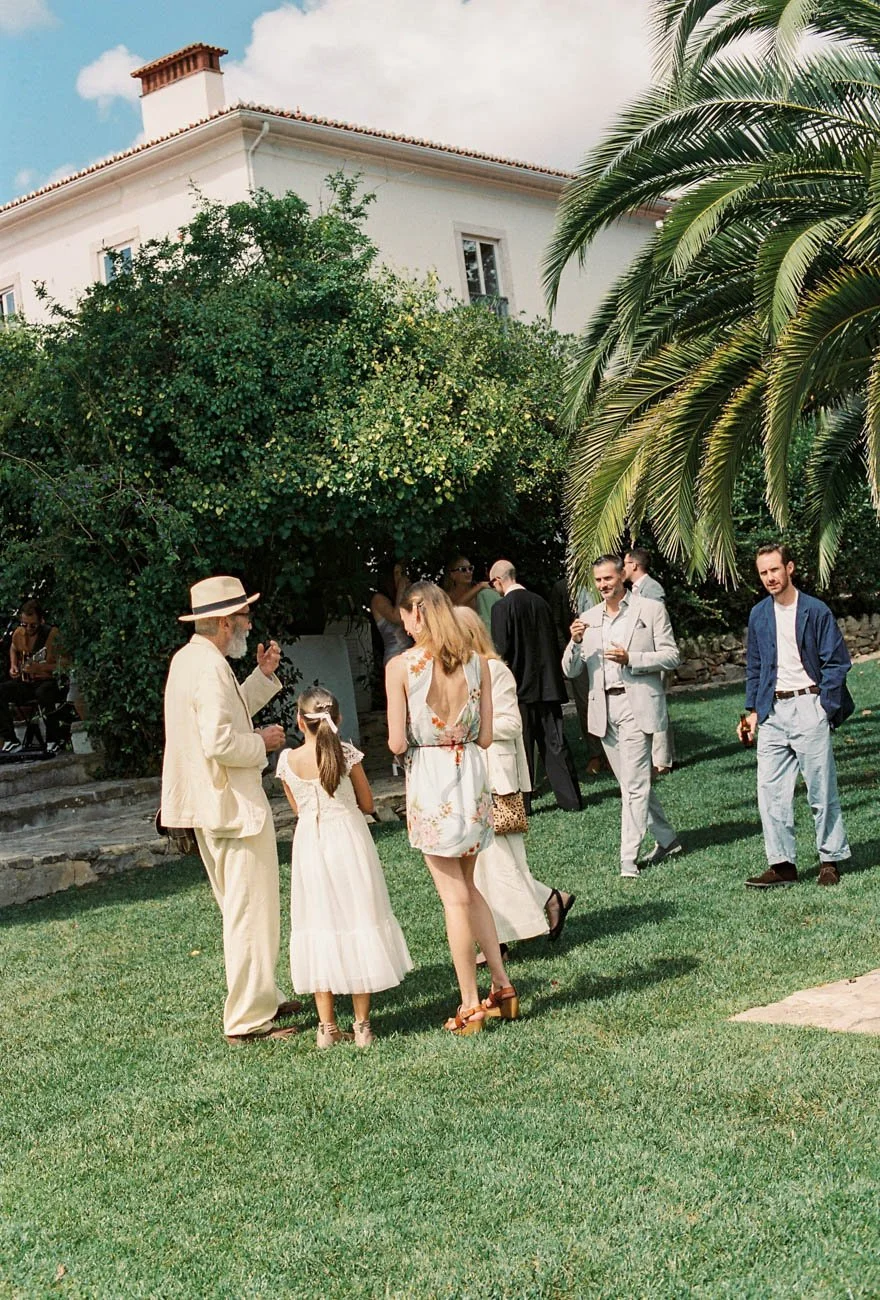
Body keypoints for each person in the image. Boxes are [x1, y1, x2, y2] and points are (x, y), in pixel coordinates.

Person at [160, 576, 301, 1045]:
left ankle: (263, 997)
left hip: (211, 808)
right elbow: (220, 741)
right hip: (231, 807)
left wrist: (262, 677)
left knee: (244, 910)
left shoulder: (192, 660)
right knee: (249, 912)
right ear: (223, 622)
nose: (248, 622)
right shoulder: (207, 667)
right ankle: (246, 1019)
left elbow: (224, 713)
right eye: (242, 615)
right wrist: (261, 742)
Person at [386, 581, 518, 1033]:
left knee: (453, 897)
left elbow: (397, 741)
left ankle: (468, 1004)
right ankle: (501, 986)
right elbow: (484, 737)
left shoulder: (402, 666)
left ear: (417, 613)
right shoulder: (478, 662)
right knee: (470, 887)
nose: (402, 624)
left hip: (432, 778)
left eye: (404, 616)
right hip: (472, 777)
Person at [276, 685, 412, 1048]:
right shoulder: (347, 754)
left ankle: (326, 1026)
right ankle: (362, 1024)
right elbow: (367, 803)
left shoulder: (287, 761)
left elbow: (297, 807)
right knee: (358, 918)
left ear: (299, 721)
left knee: (318, 922)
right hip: (349, 839)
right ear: (337, 719)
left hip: (311, 843)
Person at [456, 608, 576, 955]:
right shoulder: (456, 675)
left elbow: (512, 724)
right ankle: (541, 906)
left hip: (497, 778)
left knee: (500, 863)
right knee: (486, 865)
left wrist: (471, 726)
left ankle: (500, 937)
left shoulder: (495, 671)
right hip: (468, 779)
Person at [740, 544, 853, 888]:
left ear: (789, 568)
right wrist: (753, 712)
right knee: (770, 792)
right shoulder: (759, 614)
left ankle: (829, 859)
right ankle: (782, 864)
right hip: (772, 711)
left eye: (775, 570)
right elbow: (756, 666)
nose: (770, 578)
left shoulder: (815, 610)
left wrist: (823, 706)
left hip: (809, 706)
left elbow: (837, 662)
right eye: (763, 573)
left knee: (820, 789)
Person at [562, 555, 681, 877]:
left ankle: (627, 857)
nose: (603, 585)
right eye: (598, 580)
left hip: (637, 706)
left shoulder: (650, 610)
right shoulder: (587, 619)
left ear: (622, 577)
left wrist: (633, 659)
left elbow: (672, 656)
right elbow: (570, 669)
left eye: (608, 579)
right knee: (632, 783)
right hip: (604, 711)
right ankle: (668, 840)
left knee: (635, 785)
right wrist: (573, 643)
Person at [489, 559, 582, 812]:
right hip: (548, 686)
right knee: (556, 744)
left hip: (518, 689)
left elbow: (500, 651)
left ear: (498, 580)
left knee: (522, 748)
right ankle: (571, 799)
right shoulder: (540, 602)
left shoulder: (501, 608)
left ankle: (524, 804)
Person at [623, 547, 674, 775]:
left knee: (657, 707)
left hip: (653, 655)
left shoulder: (651, 589)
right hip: (640, 659)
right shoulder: (634, 589)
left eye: (625, 563)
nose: (623, 568)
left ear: (634, 565)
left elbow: (653, 621)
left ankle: (662, 761)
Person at [0, 600, 69, 753]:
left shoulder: (52, 634)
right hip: (27, 682)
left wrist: (41, 667)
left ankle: (53, 739)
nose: (29, 629)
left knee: (44, 692)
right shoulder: (19, 633)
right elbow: (13, 647)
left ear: (41, 621)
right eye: (25, 624)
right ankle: (10, 739)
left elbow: (66, 664)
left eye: (33, 625)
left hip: (48, 681)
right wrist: (13, 665)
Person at [370, 560, 414, 666]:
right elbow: (397, 618)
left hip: (411, 653)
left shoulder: (401, 599)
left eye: (401, 573)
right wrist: (401, 590)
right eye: (396, 573)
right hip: (395, 655)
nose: (400, 577)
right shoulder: (378, 599)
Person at [443, 553, 500, 631]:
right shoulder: (446, 596)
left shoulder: (481, 593)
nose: (468, 572)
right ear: (452, 575)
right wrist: (480, 586)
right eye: (463, 569)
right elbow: (455, 608)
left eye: (470, 568)